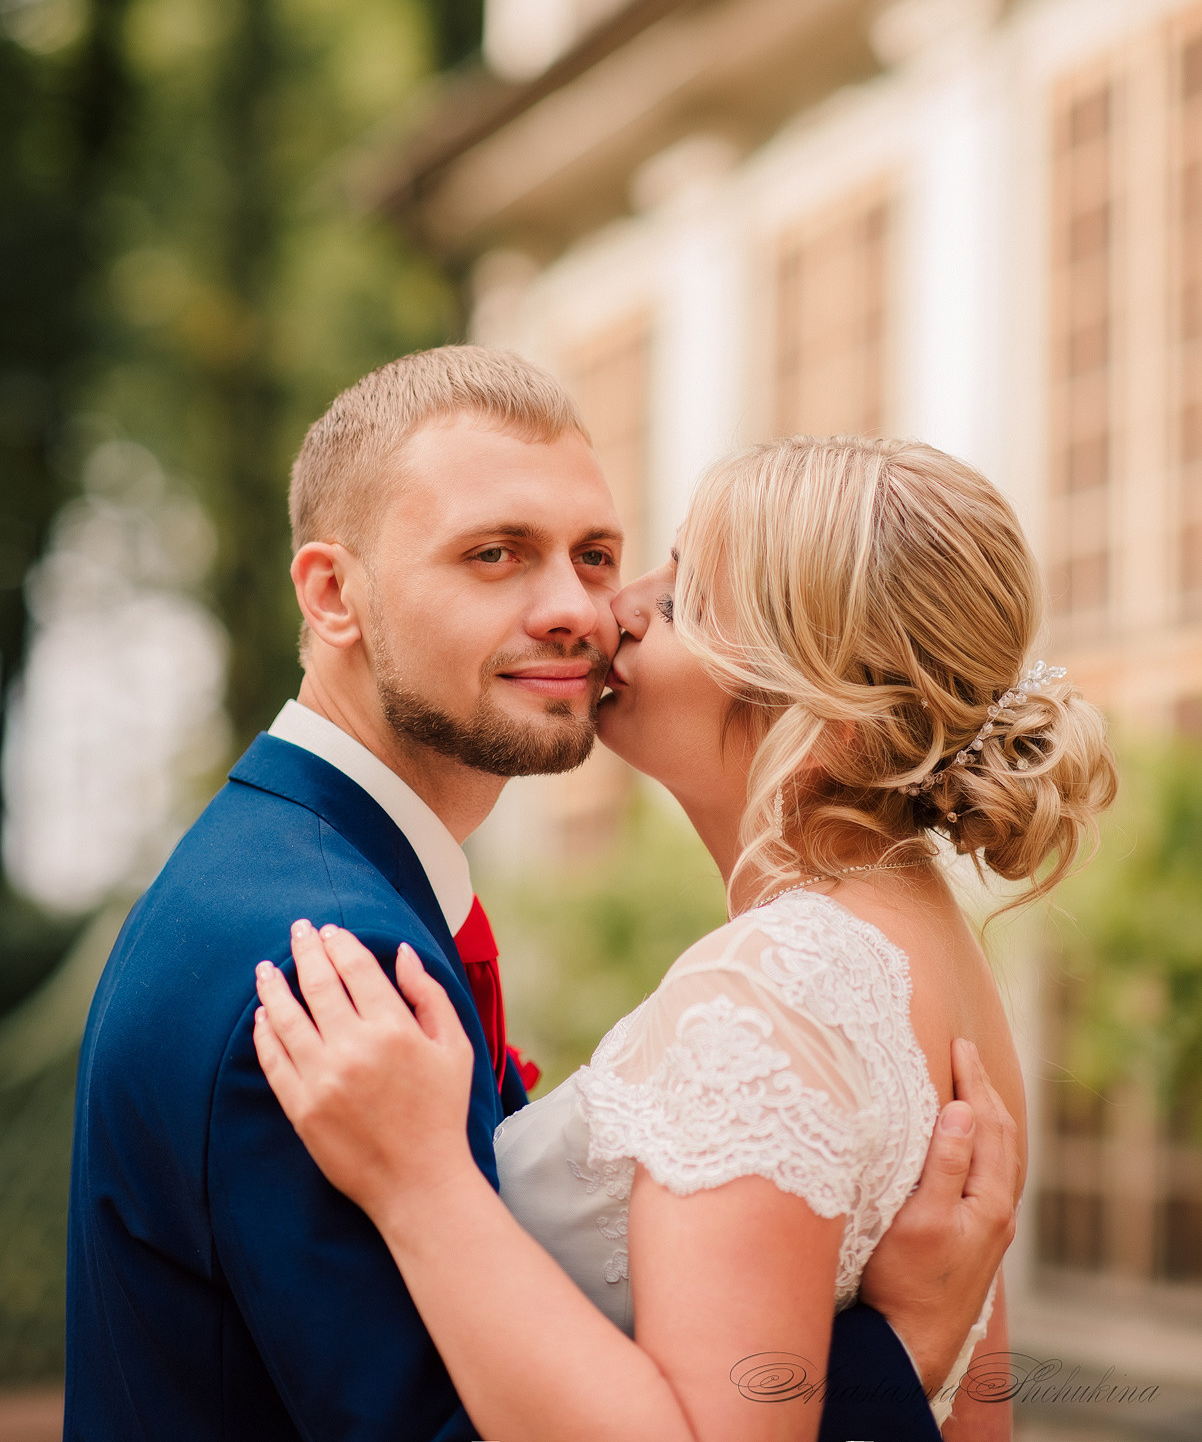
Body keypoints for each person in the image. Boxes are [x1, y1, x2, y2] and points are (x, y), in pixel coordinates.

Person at [67, 349, 1025, 1442]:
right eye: (495, 554)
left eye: (600, 557)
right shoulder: (310, 966)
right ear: (335, 594)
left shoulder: (798, 976)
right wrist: (904, 1355)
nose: (588, 612)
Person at [251, 424, 1117, 1442]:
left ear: (825, 711)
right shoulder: (936, 958)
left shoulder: (771, 988)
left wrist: (421, 1186)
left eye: (684, 596)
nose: (612, 609)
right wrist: (906, 1345)